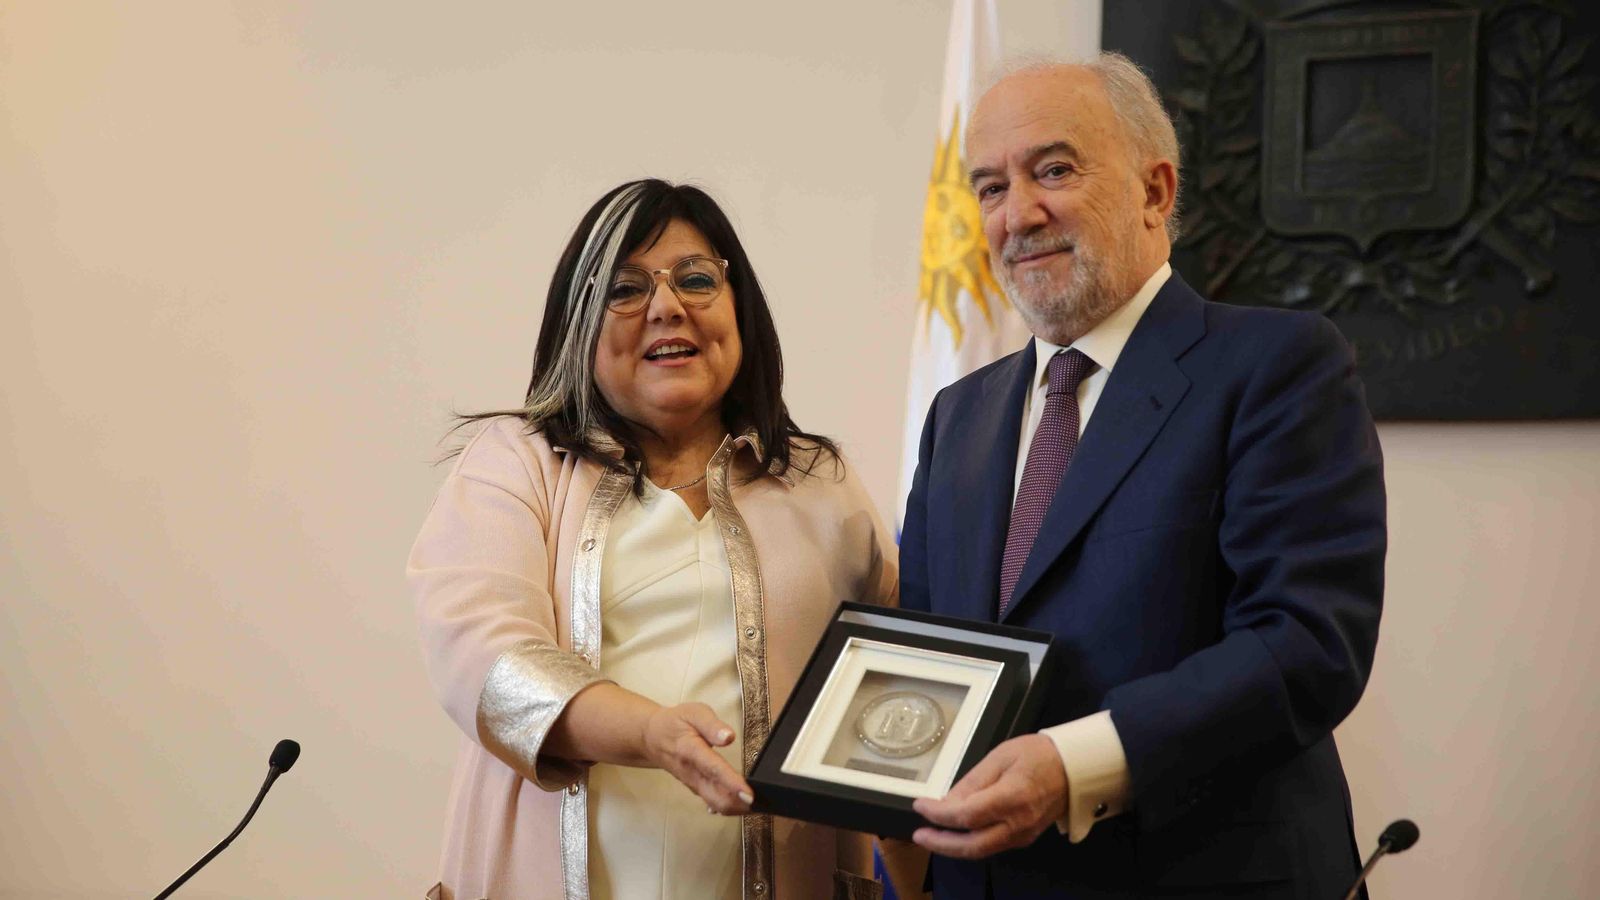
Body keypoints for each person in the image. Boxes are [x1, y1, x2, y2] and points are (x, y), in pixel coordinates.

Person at [895, 55, 1387, 899]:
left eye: (1053, 169)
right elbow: (931, 665)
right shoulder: (957, 417)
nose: (1020, 213)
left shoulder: (1277, 367)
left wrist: (1074, 763)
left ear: (1156, 192)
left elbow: (1307, 645)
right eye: (990, 187)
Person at [409, 179, 896, 900]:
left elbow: (894, 686)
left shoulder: (819, 483)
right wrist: (649, 733)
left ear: (741, 312)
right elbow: (481, 655)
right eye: (626, 289)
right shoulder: (517, 462)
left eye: (696, 279)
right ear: (578, 324)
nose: (668, 306)